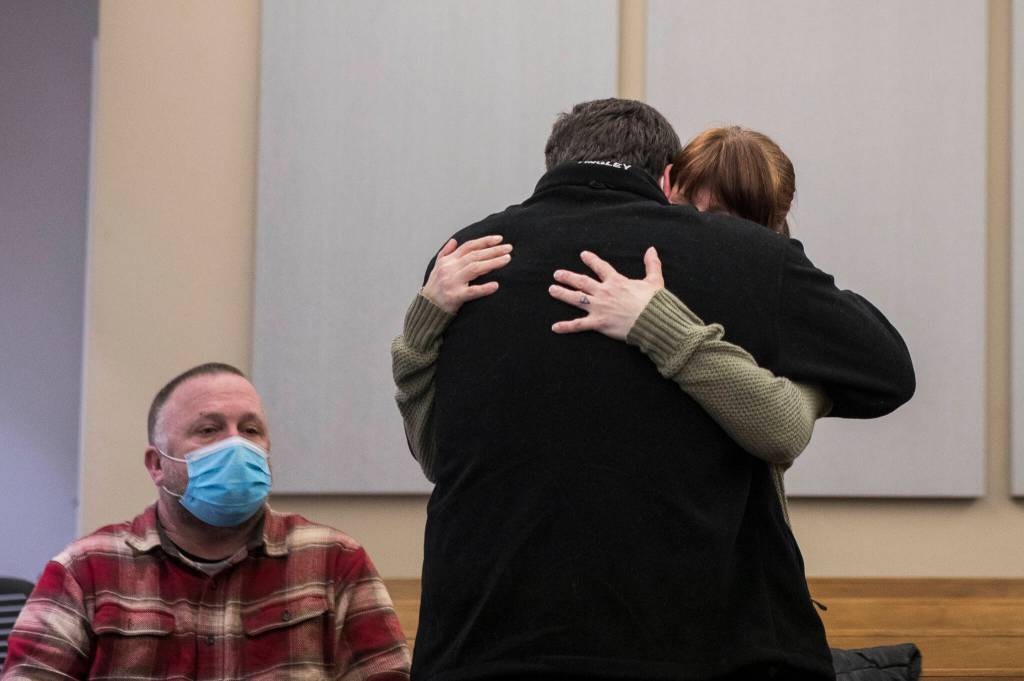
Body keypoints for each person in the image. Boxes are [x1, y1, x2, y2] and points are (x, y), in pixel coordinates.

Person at [407, 98, 914, 680]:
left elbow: (441, 454)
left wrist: (417, 327)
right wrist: (805, 391)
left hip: (473, 647)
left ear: (550, 167)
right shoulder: (742, 254)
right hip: (701, 649)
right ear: (666, 177)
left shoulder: (465, 259)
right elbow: (888, 373)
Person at [393, 126, 825, 526]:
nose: (702, 230)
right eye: (690, 211)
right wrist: (425, 318)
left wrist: (655, 323)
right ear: (666, 186)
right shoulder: (620, 276)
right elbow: (440, 455)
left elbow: (783, 429)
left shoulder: (756, 297)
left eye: (728, 219)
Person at [2, 363, 410, 681]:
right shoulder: (83, 571)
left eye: (251, 430)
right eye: (209, 430)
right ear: (158, 464)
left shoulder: (334, 562)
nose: (236, 444)